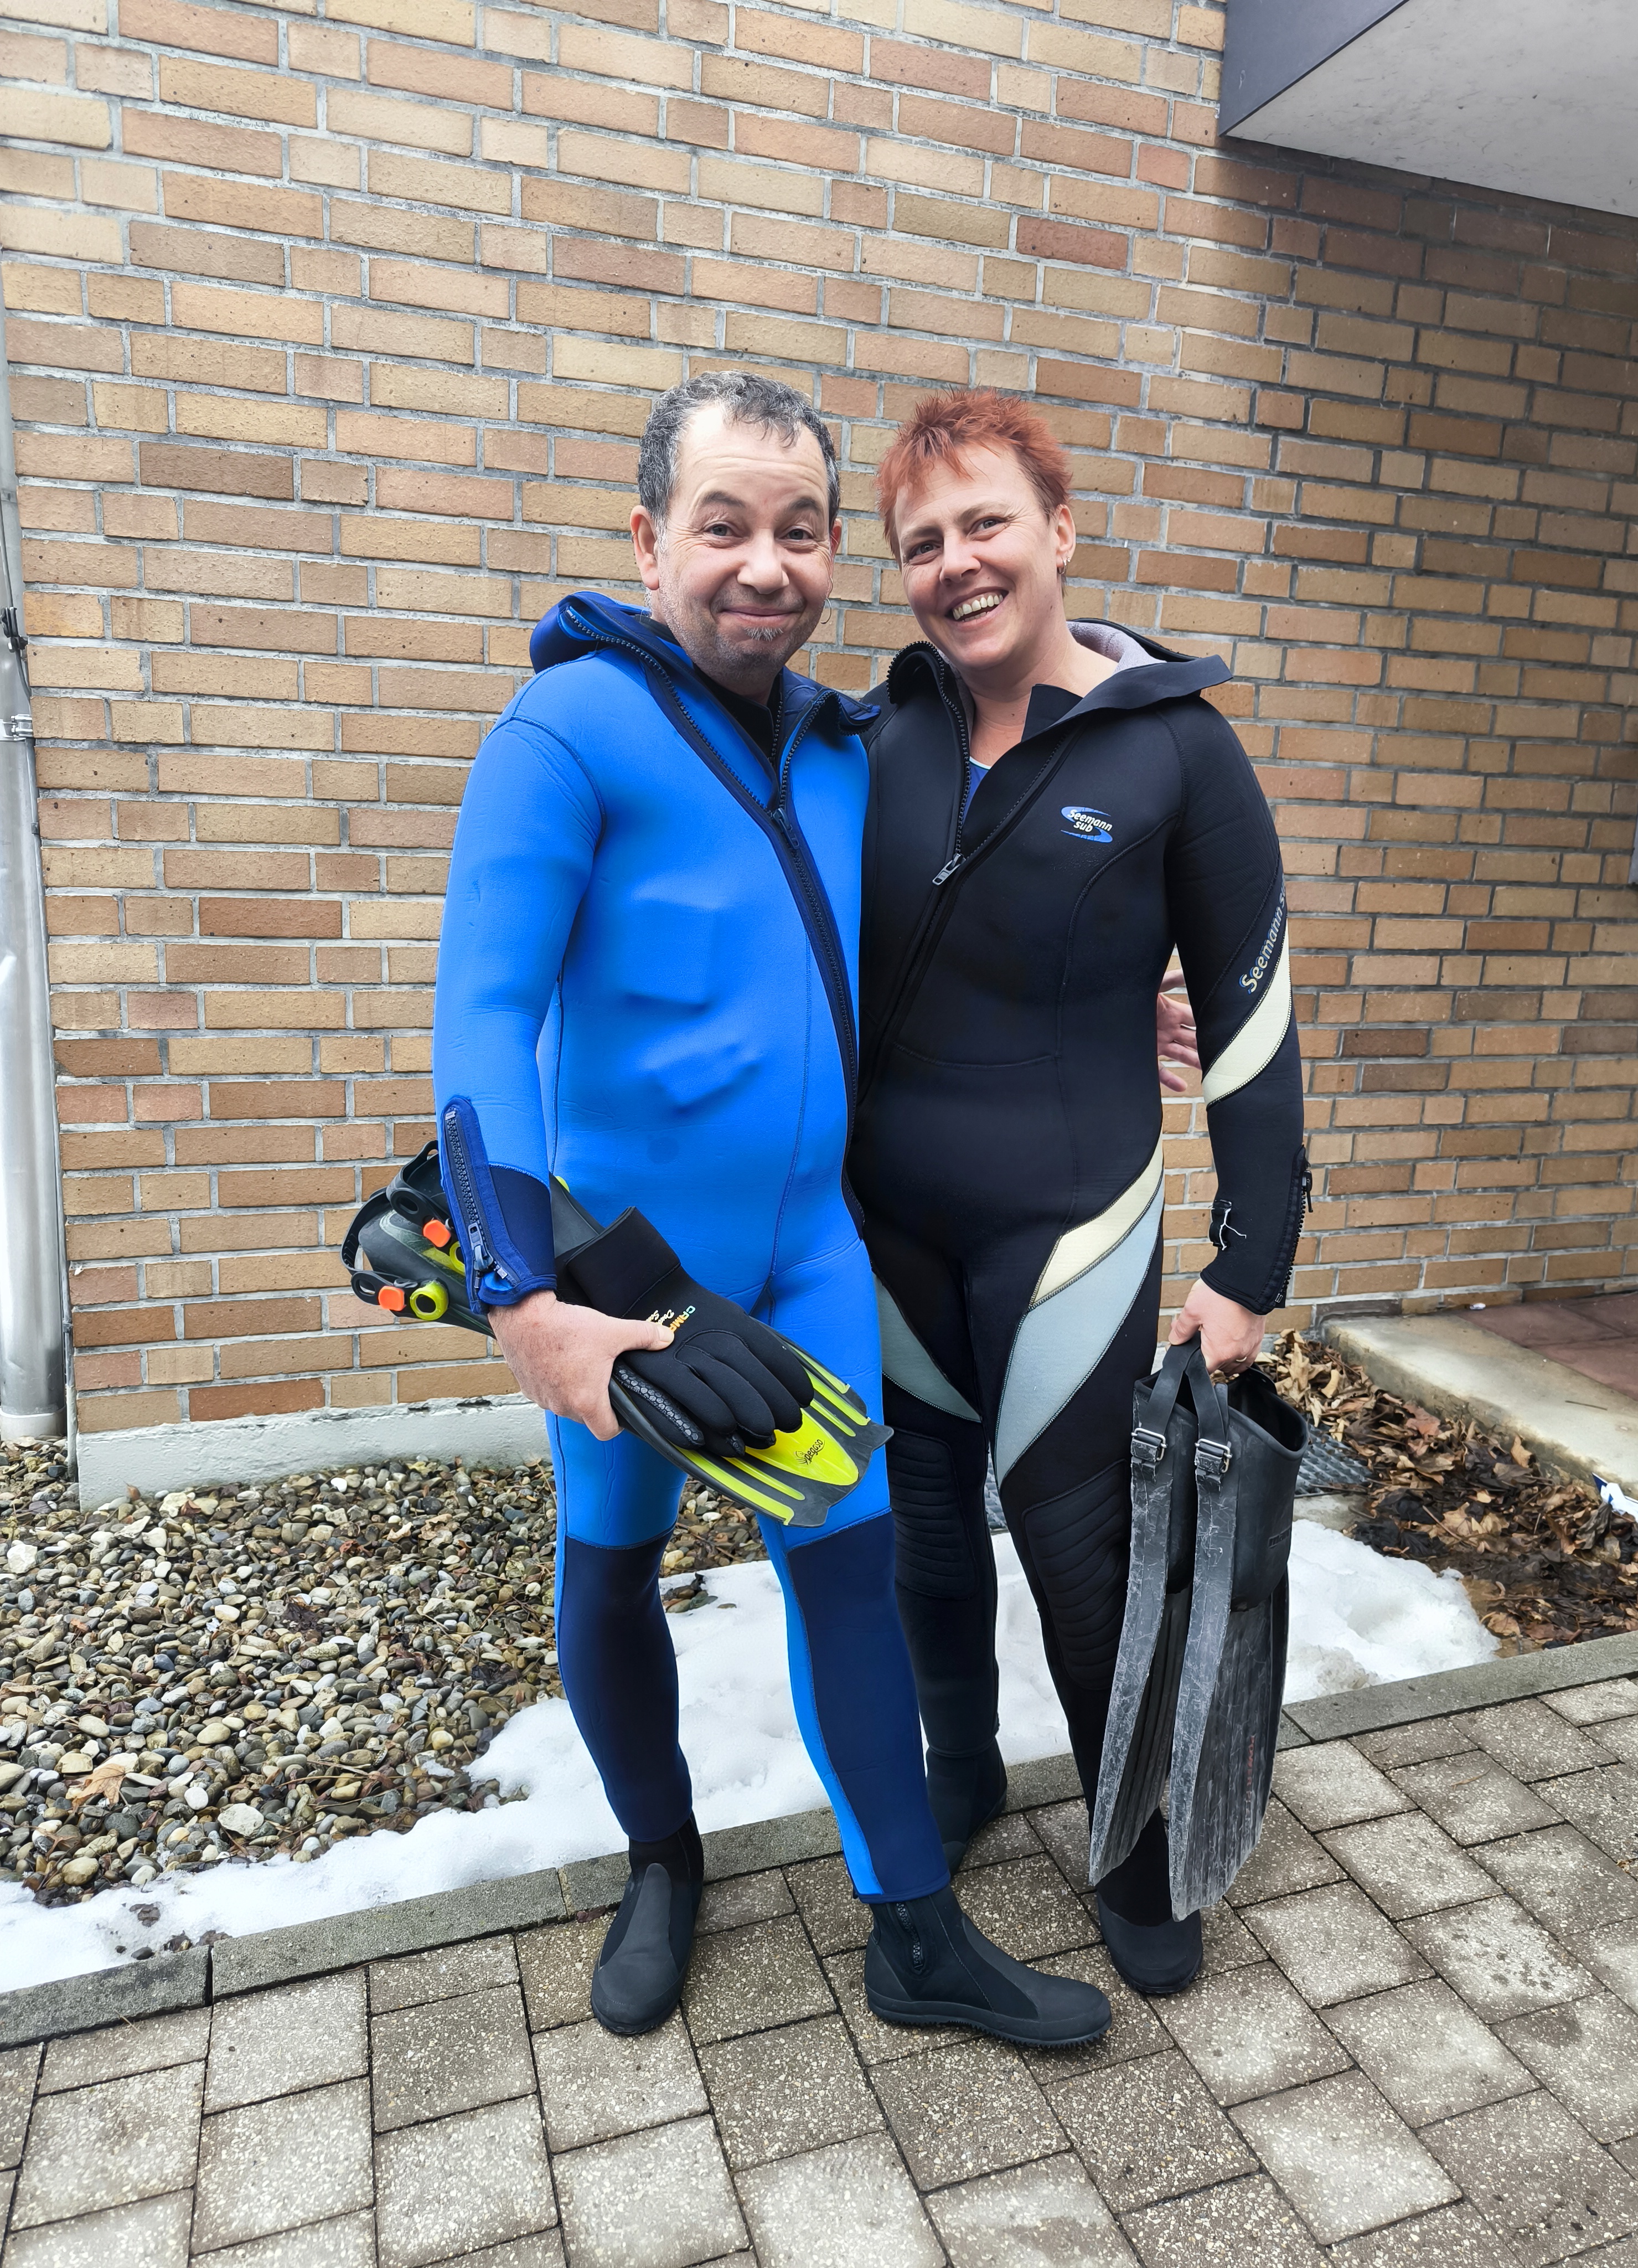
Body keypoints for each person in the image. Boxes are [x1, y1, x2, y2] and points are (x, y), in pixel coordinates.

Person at [432, 372, 1110, 2047]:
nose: (765, 564)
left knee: (847, 1572)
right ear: (649, 537)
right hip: (627, 1278)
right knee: (615, 1567)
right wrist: (530, 1304)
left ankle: (915, 1936)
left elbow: (972, 930)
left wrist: (1128, 1006)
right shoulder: (561, 736)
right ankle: (662, 1864)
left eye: (800, 531)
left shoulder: (848, 748)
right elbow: (481, 1024)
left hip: (809, 1255)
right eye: (722, 524)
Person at [851, 390, 1308, 1997]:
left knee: (1075, 1542)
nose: (958, 564)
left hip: (1070, 1223)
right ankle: (962, 1770)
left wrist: (1250, 1265)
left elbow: (1250, 1020)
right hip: (887, 1225)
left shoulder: (1177, 746)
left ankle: (1133, 1840)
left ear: (1058, 529)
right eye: (923, 542)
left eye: (987, 523)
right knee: (923, 1526)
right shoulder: (878, 730)